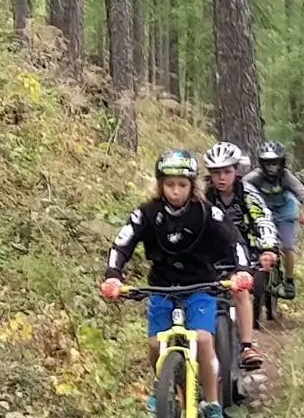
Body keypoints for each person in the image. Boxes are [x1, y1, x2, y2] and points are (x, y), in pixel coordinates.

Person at [100, 148, 251, 418]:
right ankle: (161, 385)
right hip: (161, 287)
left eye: (182, 185)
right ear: (160, 185)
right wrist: (113, 274)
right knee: (155, 344)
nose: (175, 191)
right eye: (169, 184)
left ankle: (212, 402)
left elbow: (235, 240)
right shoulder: (146, 213)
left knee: (203, 340)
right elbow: (122, 244)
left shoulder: (206, 212)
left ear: (192, 186)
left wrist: (241, 270)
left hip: (200, 287)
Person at [202, 141, 277, 368]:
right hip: (209, 254)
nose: (221, 178)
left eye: (227, 171)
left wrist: (268, 248)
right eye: (216, 172)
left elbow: (263, 219)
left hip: (242, 253)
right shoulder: (202, 195)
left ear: (236, 170)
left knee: (240, 292)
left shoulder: (247, 194)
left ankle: (246, 346)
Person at [243, 140, 304, 297]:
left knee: (287, 246)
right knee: (249, 242)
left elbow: (303, 195)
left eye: (275, 162)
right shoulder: (254, 177)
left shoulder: (287, 177)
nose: (271, 166)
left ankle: (289, 282)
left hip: (285, 213)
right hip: (262, 213)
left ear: (281, 162)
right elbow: (239, 188)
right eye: (267, 162)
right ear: (261, 163)